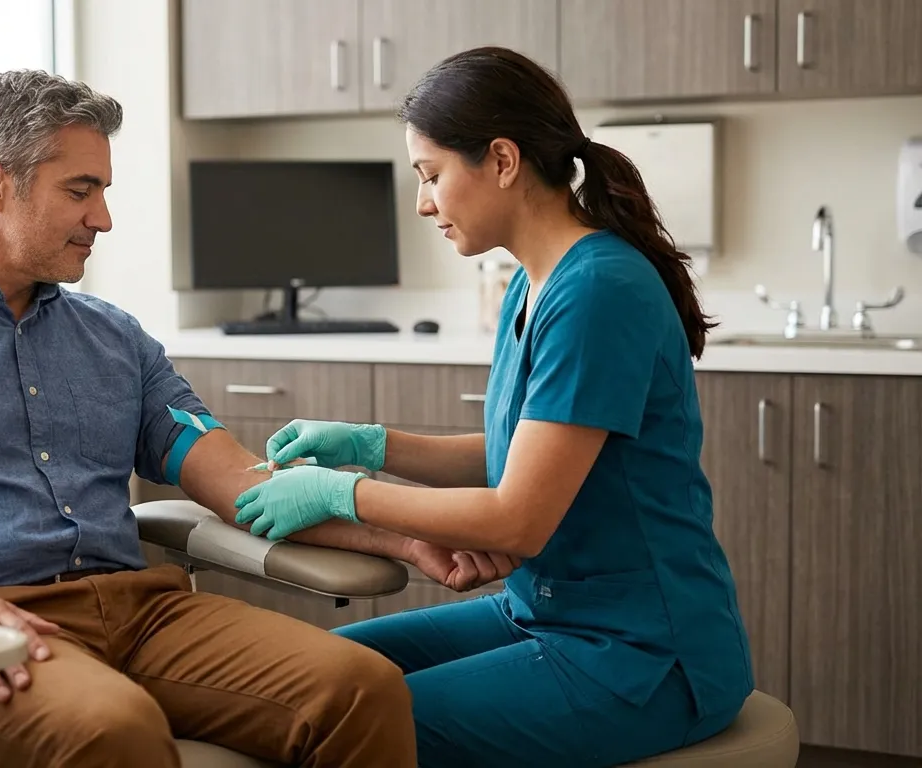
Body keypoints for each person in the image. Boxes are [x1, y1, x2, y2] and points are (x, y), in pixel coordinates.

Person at [0, 69, 464, 768]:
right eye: (81, 190)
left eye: (103, 191)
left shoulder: (113, 338)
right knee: (115, 731)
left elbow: (240, 481)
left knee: (360, 688)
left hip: (141, 614)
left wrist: (406, 535)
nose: (103, 219)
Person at [231, 47, 754, 768]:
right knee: (312, 674)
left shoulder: (598, 290)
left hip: (642, 654)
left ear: (502, 160)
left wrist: (342, 492)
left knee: (339, 718)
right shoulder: (530, 285)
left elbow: (518, 516)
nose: (422, 202)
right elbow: (522, 453)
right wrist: (373, 443)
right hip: (546, 614)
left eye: (431, 175)